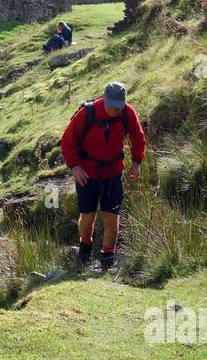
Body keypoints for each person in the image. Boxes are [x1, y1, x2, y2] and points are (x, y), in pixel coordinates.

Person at [60, 81, 146, 269]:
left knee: (111, 215)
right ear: (104, 98)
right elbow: (67, 141)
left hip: (113, 172)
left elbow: (138, 137)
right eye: (111, 106)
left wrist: (136, 162)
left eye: (118, 107)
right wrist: (75, 166)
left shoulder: (127, 112)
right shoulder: (87, 113)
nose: (115, 111)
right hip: (87, 174)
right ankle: (85, 250)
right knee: (87, 215)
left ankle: (108, 257)